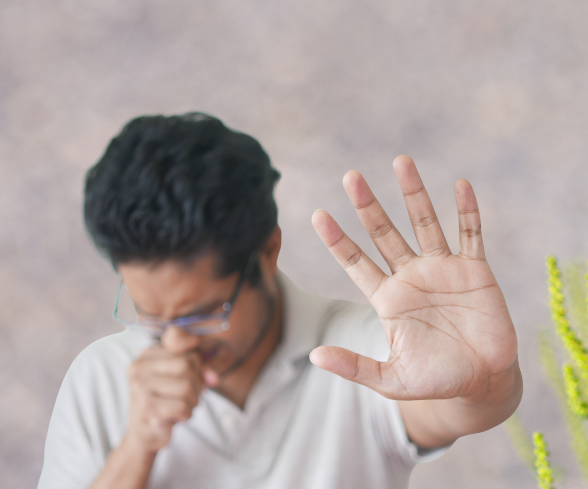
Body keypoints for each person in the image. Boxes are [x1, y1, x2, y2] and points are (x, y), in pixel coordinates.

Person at [39, 113, 523, 488]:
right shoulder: (99, 378)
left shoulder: (362, 351)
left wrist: (483, 382)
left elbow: (452, 409)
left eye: (203, 314)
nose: (176, 343)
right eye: (148, 314)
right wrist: (136, 447)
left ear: (268, 253)